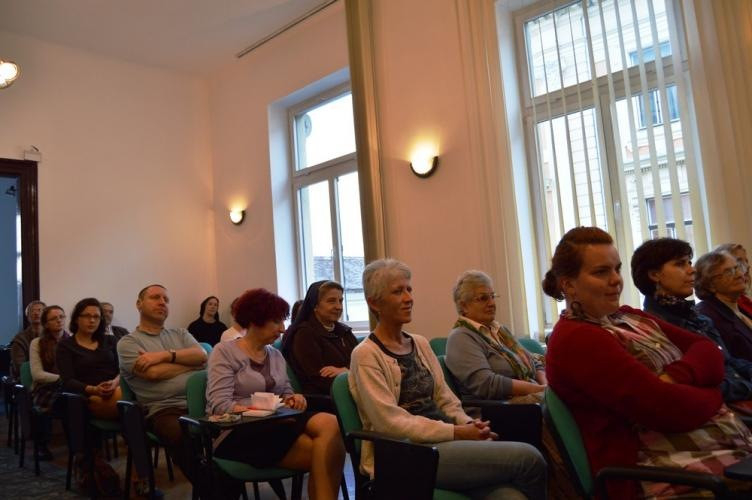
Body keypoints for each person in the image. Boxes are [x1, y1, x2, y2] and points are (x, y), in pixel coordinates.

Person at [544, 227, 752, 499]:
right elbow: (666, 408)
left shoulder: (628, 315)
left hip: (720, 449)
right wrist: (714, 393)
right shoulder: (576, 339)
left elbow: (708, 350)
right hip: (665, 472)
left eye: (617, 269)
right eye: (601, 272)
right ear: (568, 284)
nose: (616, 280)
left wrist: (675, 377)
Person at [349, 259, 546, 500]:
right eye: (398, 291)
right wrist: (457, 432)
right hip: (407, 455)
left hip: (444, 442)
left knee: (510, 496)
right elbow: (390, 423)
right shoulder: (365, 354)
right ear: (374, 302)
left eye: (409, 289)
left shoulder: (420, 343)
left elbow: (446, 399)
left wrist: (469, 425)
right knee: (529, 458)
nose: (409, 298)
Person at [207, 288, 345, 500]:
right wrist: (265, 407)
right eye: (276, 322)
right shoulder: (224, 351)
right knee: (325, 452)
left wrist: (294, 398)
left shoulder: (275, 354)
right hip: (238, 431)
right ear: (254, 320)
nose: (282, 329)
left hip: (277, 423)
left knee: (332, 423)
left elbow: (285, 391)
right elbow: (220, 405)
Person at [632, 238, 752, 406]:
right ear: (654, 275)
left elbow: (728, 362)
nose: (692, 270)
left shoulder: (698, 318)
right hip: (723, 410)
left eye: (689, 262)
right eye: (680, 264)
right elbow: (698, 385)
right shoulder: (654, 327)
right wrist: (747, 387)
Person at [117, 284, 207, 481]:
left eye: (166, 299)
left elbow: (201, 356)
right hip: (165, 409)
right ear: (139, 304)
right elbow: (153, 373)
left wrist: (163, 356)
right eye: (155, 297)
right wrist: (191, 365)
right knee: (183, 435)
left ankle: (224, 481)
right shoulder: (128, 343)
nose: (162, 302)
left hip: (204, 403)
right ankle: (210, 488)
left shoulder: (180, 333)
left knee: (237, 426)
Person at [445, 270, 546, 403]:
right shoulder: (460, 338)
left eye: (492, 296)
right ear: (464, 306)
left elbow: (534, 362)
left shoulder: (500, 331)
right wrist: (539, 390)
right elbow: (486, 384)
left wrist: (546, 385)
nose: (492, 303)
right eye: (483, 298)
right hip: (498, 407)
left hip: (532, 396)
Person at [281, 280, 358, 395]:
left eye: (340, 301)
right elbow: (319, 379)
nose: (339, 307)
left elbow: (362, 362)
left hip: (351, 389)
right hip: (325, 398)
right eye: (331, 301)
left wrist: (346, 371)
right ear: (315, 305)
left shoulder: (344, 331)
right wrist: (350, 373)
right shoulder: (304, 334)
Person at [57, 298, 121, 419]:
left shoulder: (111, 340)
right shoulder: (65, 346)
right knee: (132, 403)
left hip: (115, 389)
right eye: (87, 316)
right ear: (76, 319)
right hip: (84, 395)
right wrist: (94, 389)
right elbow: (68, 380)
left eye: (96, 317)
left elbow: (122, 369)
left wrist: (115, 382)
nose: (92, 320)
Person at [695, 250, 752, 362]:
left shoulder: (737, 307)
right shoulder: (706, 316)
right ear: (710, 284)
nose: (739, 275)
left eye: (737, 268)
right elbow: (728, 363)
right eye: (728, 272)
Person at [29, 305, 69, 460]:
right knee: (44, 405)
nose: (59, 321)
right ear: (46, 323)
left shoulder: (72, 341)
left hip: (67, 387)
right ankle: (42, 446)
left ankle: (80, 444)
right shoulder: (37, 343)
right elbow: (37, 375)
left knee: (77, 399)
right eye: (54, 318)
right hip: (45, 388)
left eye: (61, 317)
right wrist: (63, 379)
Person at [9, 300, 46, 379]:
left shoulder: (52, 335)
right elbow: (20, 367)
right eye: (32, 311)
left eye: (40, 310)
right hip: (27, 378)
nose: (36, 313)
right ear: (28, 316)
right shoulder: (20, 339)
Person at [715, 243, 752, 317]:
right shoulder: (723, 305)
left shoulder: (744, 299)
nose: (748, 266)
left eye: (746, 261)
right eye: (739, 261)